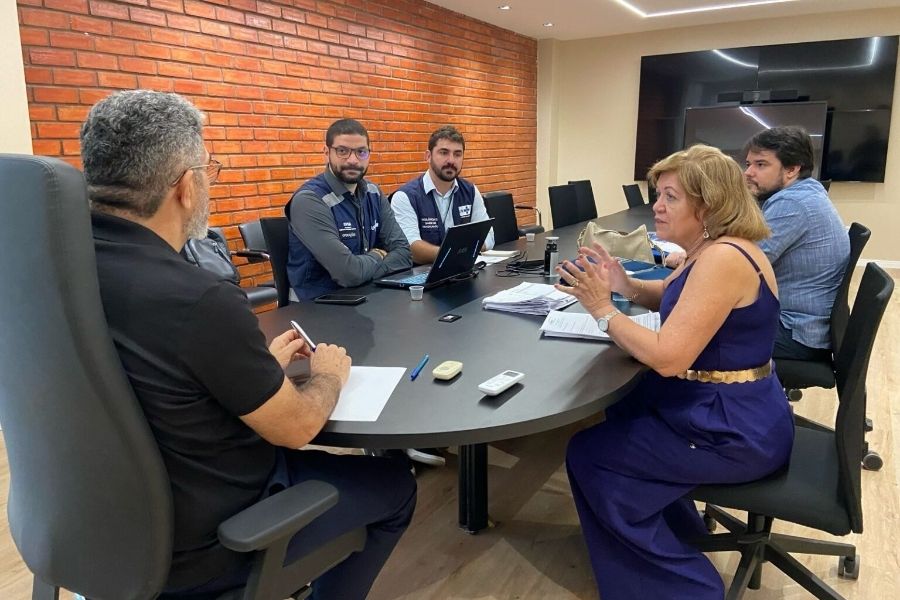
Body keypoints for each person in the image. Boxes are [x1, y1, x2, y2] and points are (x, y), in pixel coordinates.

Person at [83, 90, 416, 599]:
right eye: (208, 169)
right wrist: (328, 375)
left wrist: (254, 368)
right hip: (210, 540)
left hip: (100, 530)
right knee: (395, 485)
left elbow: (159, 379)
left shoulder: (56, 273)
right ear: (187, 187)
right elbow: (298, 427)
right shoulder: (198, 298)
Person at [557, 144, 794, 599]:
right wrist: (623, 284)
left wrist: (603, 309)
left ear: (708, 206)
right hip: (737, 409)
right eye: (658, 195)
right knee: (626, 406)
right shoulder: (710, 248)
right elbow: (667, 294)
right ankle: (676, 532)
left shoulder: (723, 260)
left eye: (671, 197)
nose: (657, 207)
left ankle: (687, 586)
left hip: (731, 431)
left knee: (589, 455)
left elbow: (668, 358)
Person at [744, 126, 850, 361]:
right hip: (807, 324)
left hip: (795, 332)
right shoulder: (807, 191)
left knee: (700, 333)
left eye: (760, 164)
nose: (748, 172)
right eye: (748, 164)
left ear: (792, 169)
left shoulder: (792, 204)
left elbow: (743, 264)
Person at [285, 118, 411, 300]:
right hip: (319, 304)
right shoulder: (309, 200)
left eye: (361, 152)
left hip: (367, 295)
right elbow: (348, 273)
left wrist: (362, 271)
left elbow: (404, 253)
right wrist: (378, 255)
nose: (353, 160)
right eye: (342, 151)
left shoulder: (373, 193)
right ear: (326, 153)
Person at [391, 125, 494, 265]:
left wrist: (459, 251)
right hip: (423, 274)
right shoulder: (405, 197)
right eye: (444, 153)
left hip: (463, 270)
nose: (451, 160)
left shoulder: (470, 191)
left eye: (457, 154)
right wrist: (459, 251)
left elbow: (489, 237)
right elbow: (410, 248)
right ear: (428, 156)